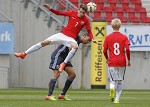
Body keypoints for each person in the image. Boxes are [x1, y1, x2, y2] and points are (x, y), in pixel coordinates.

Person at [14, 3, 97, 73]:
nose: (81, 14)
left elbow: (89, 31)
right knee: (44, 42)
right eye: (81, 12)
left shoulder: (85, 20)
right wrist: (50, 8)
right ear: (79, 10)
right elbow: (58, 13)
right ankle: (24, 54)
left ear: (85, 13)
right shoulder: (72, 13)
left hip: (70, 38)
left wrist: (92, 39)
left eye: (83, 13)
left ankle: (63, 64)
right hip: (62, 34)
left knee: (75, 47)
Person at [45, 34, 90, 101]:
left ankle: (62, 95)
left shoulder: (78, 41)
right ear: (85, 36)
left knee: (72, 75)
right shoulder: (75, 36)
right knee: (56, 74)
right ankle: (49, 95)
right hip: (58, 55)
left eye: (89, 41)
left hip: (65, 59)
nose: (87, 42)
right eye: (88, 40)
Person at [103, 18, 131, 104]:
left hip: (112, 62)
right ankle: (117, 99)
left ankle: (112, 89)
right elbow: (127, 49)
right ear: (120, 26)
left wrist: (107, 59)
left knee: (113, 80)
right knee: (120, 81)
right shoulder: (124, 37)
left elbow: (104, 50)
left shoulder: (108, 37)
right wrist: (128, 60)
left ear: (111, 26)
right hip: (122, 62)